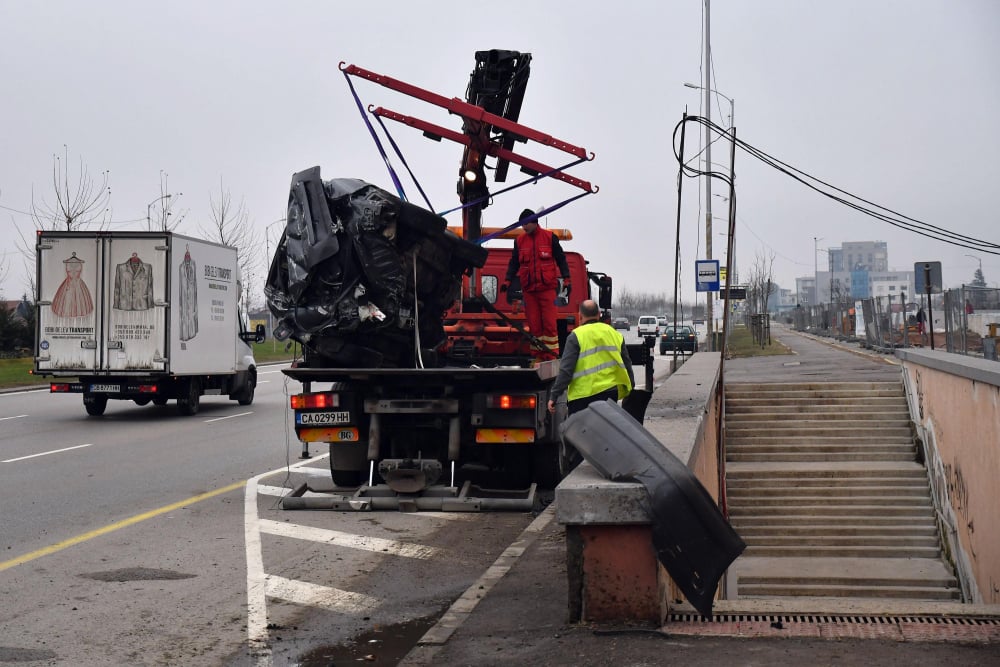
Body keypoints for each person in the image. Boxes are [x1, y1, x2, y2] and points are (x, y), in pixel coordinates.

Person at [502, 208, 570, 361]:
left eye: (525, 224)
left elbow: (561, 259)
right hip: (529, 291)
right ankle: (538, 356)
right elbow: (514, 263)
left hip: (547, 290)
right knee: (534, 326)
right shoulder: (519, 241)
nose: (523, 228)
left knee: (549, 325)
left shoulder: (549, 237)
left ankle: (551, 356)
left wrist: (567, 279)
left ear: (534, 222)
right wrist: (507, 280)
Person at [547, 299, 635, 416]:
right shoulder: (614, 333)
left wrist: (554, 395)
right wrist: (631, 390)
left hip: (582, 397)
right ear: (599, 314)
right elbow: (627, 364)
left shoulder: (576, 336)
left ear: (580, 316)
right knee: (604, 431)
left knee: (581, 433)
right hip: (609, 393)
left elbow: (566, 370)